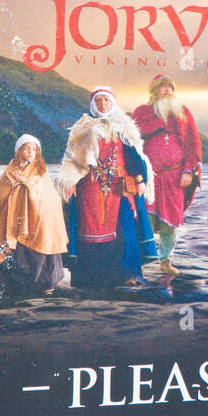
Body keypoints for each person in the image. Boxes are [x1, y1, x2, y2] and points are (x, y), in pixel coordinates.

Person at [54, 86, 157, 290]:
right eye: (99, 101)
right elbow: (72, 159)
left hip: (120, 186)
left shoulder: (123, 127)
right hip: (89, 187)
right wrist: (69, 181)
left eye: (106, 101)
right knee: (88, 231)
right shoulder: (82, 127)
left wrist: (140, 180)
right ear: (93, 104)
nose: (103, 104)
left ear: (112, 102)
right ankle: (89, 279)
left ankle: (129, 274)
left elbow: (135, 156)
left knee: (125, 229)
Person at [0, 134, 67, 301]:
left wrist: (30, 195)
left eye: (34, 149)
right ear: (19, 150)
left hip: (37, 220)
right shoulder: (10, 171)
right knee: (12, 250)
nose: (30, 152)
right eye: (26, 148)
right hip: (13, 221)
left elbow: (48, 196)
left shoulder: (41, 172)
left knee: (40, 247)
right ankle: (11, 286)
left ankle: (44, 285)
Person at [132, 75, 201, 275]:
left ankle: (166, 261)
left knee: (170, 222)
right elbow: (132, 144)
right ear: (154, 91)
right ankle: (139, 261)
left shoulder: (183, 112)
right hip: (148, 178)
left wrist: (188, 170)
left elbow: (192, 145)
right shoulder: (142, 112)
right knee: (144, 218)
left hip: (175, 176)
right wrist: (137, 174)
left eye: (170, 87)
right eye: (163, 87)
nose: (167, 90)